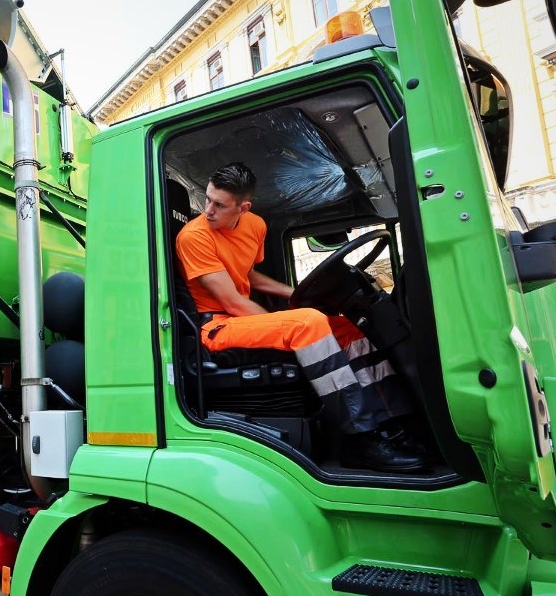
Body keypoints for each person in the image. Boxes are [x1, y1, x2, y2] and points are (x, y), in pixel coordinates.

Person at [175, 162, 425, 472]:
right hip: (217, 326)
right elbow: (233, 301)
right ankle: (360, 437)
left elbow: (249, 275)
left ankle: (393, 420)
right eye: (207, 200)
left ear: (244, 207)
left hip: (241, 316)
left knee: (345, 327)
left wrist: (294, 294)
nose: (208, 210)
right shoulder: (193, 236)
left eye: (219, 205)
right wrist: (282, 323)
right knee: (308, 323)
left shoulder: (256, 226)